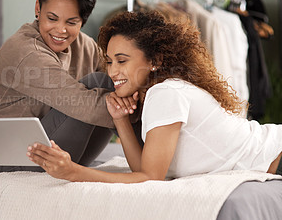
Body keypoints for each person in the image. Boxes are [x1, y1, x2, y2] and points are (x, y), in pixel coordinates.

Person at [27, 10, 282, 183]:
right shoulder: (159, 93)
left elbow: (150, 178)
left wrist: (73, 171)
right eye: (109, 61)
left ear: (155, 60)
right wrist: (120, 119)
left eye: (122, 61)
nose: (113, 71)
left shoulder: (165, 93)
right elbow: (145, 170)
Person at [0, 0, 138, 175]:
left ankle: (154, 159)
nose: (60, 30)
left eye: (71, 22)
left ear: (82, 20)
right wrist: (146, 114)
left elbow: (121, 81)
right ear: (38, 8)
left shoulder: (85, 45)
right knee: (100, 84)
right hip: (0, 162)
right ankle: (151, 157)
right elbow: (83, 104)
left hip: (52, 149)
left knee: (112, 81)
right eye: (52, 18)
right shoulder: (25, 51)